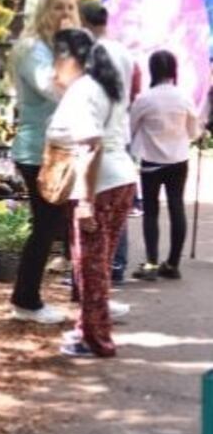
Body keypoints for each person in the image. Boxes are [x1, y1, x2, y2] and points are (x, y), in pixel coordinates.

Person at [46, 28, 137, 358]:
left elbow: (90, 145)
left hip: (99, 186)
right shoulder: (103, 85)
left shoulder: (83, 91)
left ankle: (96, 340)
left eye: (57, 57)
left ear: (70, 57)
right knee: (98, 264)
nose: (54, 66)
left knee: (91, 268)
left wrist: (84, 200)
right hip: (121, 179)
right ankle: (87, 331)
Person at [9, 0, 79, 324]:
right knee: (47, 225)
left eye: (69, 7)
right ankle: (26, 301)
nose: (64, 14)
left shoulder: (54, 49)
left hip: (56, 149)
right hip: (37, 150)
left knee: (52, 224)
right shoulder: (33, 50)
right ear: (43, 12)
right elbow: (54, 88)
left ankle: (28, 298)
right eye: (57, 8)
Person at [79, 0, 140, 286]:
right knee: (115, 211)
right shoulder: (125, 53)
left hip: (98, 133)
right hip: (118, 131)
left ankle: (95, 275)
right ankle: (114, 265)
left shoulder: (93, 52)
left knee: (94, 210)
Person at [128, 51, 202, 281]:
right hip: (178, 160)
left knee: (151, 212)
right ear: (173, 70)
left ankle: (150, 265)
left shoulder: (145, 99)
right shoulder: (184, 97)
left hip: (151, 161)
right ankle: (172, 264)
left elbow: (130, 129)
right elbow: (194, 132)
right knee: (176, 208)